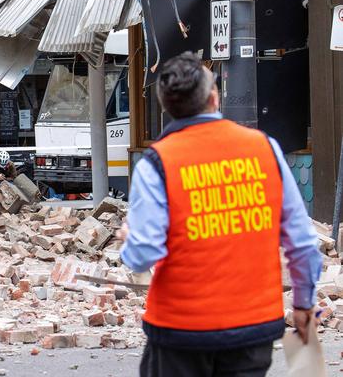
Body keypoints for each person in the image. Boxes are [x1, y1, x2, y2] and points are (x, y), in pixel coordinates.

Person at [118, 52, 322, 377]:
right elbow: (302, 242)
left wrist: (129, 240)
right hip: (253, 328)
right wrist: (303, 304)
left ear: (167, 107)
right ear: (214, 98)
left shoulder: (157, 163)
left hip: (179, 332)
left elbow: (143, 254)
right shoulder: (264, 149)